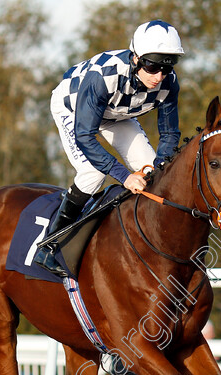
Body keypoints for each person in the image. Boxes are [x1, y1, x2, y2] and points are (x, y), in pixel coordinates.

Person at [34, 20, 184, 277]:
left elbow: (170, 134)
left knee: (153, 174)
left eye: (166, 67)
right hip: (73, 109)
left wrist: (159, 166)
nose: (158, 76)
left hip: (115, 115)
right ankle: (50, 245)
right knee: (93, 174)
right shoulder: (103, 77)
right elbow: (85, 136)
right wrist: (124, 176)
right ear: (135, 58)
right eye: (152, 65)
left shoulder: (169, 83)